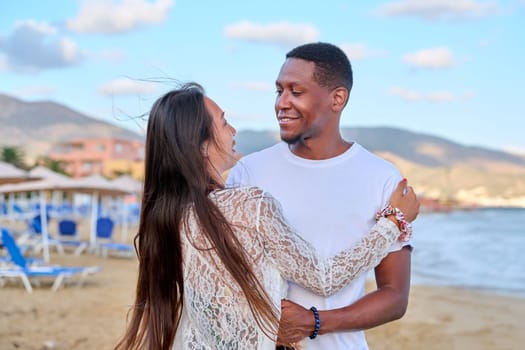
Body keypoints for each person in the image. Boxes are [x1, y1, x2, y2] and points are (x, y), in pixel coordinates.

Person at [115, 82, 419, 350]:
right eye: (223, 122)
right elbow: (324, 279)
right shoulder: (250, 203)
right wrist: (393, 222)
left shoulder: (170, 218)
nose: (232, 130)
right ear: (200, 144)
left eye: (295, 91)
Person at [227, 42, 418, 349]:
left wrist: (315, 322)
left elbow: (395, 296)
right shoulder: (249, 172)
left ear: (337, 98)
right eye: (279, 91)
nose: (282, 103)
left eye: (296, 91)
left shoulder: (381, 178)